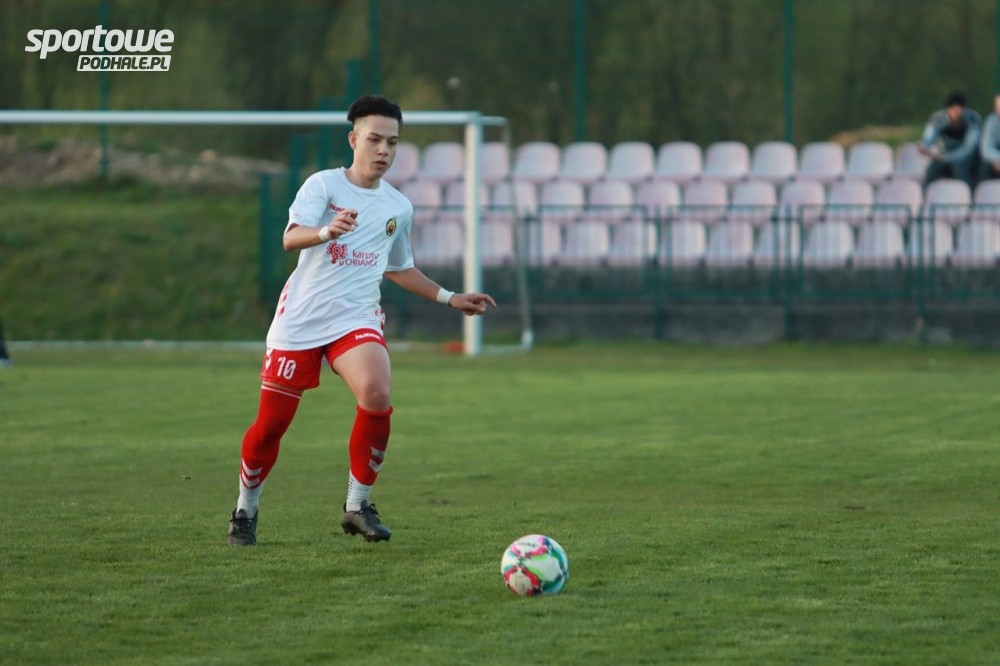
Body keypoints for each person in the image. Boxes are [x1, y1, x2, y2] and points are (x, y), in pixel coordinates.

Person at [227, 95, 496, 546]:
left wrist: (451, 298)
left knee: (376, 391)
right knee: (271, 426)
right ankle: (245, 509)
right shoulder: (324, 186)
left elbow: (400, 268)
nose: (384, 150)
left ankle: (357, 505)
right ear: (354, 140)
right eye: (374, 139)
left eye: (392, 142)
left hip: (356, 317)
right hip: (301, 320)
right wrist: (326, 231)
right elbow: (291, 238)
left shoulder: (398, 206)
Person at [918, 90, 982, 188]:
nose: (957, 112)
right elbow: (929, 136)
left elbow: (969, 148)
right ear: (947, 109)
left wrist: (947, 158)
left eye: (961, 109)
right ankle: (925, 194)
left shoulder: (973, 118)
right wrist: (924, 146)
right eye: (954, 109)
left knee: (959, 168)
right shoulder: (938, 119)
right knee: (933, 168)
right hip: (945, 154)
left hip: (965, 158)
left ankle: (969, 194)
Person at [979, 93, 1000, 183]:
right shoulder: (991, 121)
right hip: (995, 159)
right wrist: (997, 160)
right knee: (984, 165)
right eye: (998, 106)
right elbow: (985, 150)